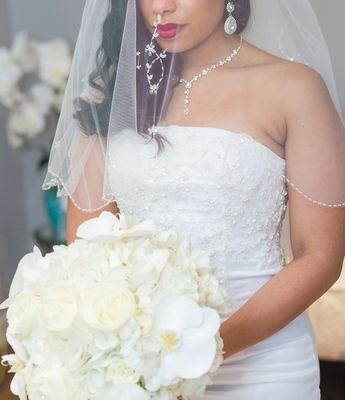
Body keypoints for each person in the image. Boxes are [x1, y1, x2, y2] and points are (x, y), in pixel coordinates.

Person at [42, 0, 345, 398]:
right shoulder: (111, 97)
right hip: (144, 369)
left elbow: (320, 257)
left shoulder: (294, 88)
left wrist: (206, 350)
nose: (162, 7)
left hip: (265, 366)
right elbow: (87, 254)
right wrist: (135, 359)